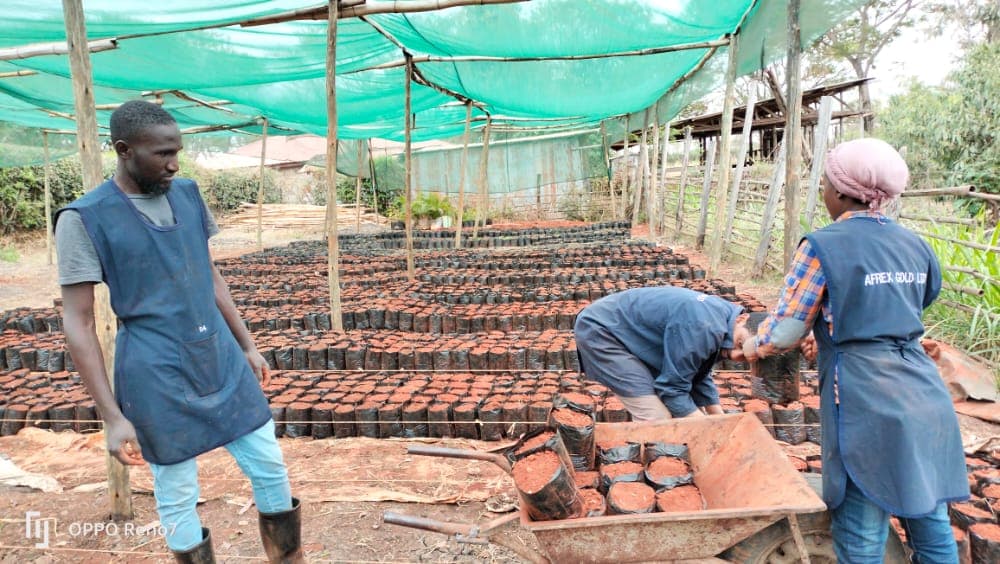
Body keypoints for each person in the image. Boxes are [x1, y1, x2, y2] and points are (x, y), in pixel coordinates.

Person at [56, 100, 305, 564]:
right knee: (176, 489)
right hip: (154, 371)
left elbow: (210, 276)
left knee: (269, 464)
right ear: (124, 150)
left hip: (218, 356)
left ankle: (289, 557)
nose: (174, 163)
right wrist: (111, 416)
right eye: (162, 154)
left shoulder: (188, 194)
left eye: (178, 151)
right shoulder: (84, 218)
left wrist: (247, 345)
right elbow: (79, 320)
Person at [742, 138, 968, 562]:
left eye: (826, 184)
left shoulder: (824, 244)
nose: (824, 192)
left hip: (866, 398)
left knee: (861, 532)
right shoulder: (914, 243)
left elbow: (787, 330)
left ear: (844, 193)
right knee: (931, 524)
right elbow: (914, 301)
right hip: (923, 393)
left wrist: (755, 344)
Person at [574, 286, 752, 420]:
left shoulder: (722, 319)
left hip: (628, 334)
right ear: (743, 319)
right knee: (656, 417)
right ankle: (652, 460)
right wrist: (707, 427)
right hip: (603, 331)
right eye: (740, 344)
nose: (736, 356)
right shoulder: (704, 326)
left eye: (745, 358)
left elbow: (694, 371)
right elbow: (672, 388)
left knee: (683, 413)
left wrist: (718, 417)